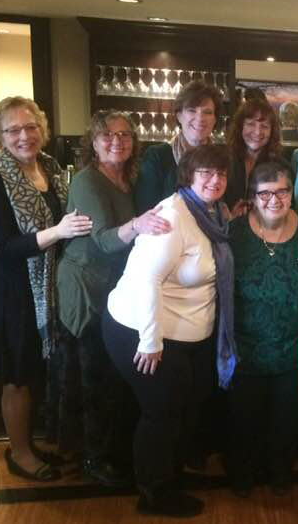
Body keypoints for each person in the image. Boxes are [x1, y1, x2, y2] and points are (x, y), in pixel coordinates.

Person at [102, 144, 236, 517]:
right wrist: (150, 342)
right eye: (205, 172)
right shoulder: (173, 216)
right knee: (161, 412)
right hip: (142, 330)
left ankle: (169, 475)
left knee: (184, 408)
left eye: (221, 173)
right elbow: (147, 280)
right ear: (188, 176)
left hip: (186, 333)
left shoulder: (212, 213)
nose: (214, 180)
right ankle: (154, 493)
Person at [0, 96, 92, 481]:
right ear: (0, 136)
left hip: (49, 283)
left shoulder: (51, 167)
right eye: (13, 130)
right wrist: (56, 232)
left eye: (30, 127)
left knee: (39, 368)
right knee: (17, 371)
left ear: (41, 128)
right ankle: (21, 453)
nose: (24, 136)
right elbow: (0, 247)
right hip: (14, 289)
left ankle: (32, 443)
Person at [52, 110, 171, 486]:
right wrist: (138, 224)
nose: (116, 141)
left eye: (124, 135)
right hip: (86, 287)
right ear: (93, 142)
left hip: (114, 287)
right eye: (107, 135)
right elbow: (103, 240)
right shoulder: (88, 181)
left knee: (112, 375)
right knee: (91, 376)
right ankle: (92, 459)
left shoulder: (128, 177)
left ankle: (109, 452)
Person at [227, 161, 298, 497]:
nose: (274, 200)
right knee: (243, 420)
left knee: (286, 419)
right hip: (245, 347)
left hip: (294, 346)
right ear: (252, 196)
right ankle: (243, 475)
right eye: (265, 193)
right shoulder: (234, 233)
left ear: (291, 193)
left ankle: (280, 474)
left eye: (282, 191)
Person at [134, 81, 223, 214]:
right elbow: (145, 212)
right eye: (192, 110)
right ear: (179, 115)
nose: (200, 118)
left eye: (207, 112)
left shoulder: (221, 160)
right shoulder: (157, 156)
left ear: (215, 119)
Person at [225, 99, 283, 216]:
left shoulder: (281, 167)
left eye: (264, 126)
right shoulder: (224, 160)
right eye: (251, 124)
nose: (257, 132)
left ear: (272, 131)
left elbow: (285, 205)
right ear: (240, 127)